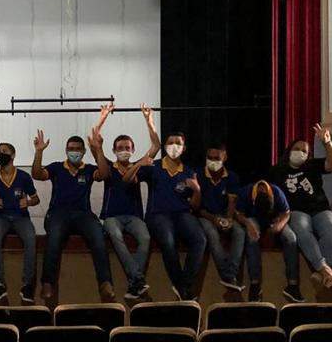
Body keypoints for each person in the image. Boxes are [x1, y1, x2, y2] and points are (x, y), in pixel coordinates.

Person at [32, 110, 116, 303]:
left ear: (84, 151)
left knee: (99, 236)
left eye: (78, 149)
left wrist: (99, 149)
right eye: (71, 148)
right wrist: (39, 151)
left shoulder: (89, 169)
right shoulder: (56, 167)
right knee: (53, 240)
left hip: (84, 214)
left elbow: (104, 174)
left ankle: (105, 282)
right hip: (57, 214)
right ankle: (47, 283)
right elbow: (37, 174)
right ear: (66, 150)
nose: (74, 151)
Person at [99, 104, 160, 300]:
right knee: (116, 236)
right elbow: (95, 144)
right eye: (120, 148)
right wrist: (102, 118)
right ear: (113, 150)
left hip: (134, 216)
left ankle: (135, 283)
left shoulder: (139, 166)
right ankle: (137, 279)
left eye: (127, 148)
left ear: (133, 149)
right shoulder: (109, 166)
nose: (124, 150)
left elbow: (156, 146)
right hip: (112, 217)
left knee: (146, 238)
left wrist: (149, 121)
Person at [270, 123, 332, 289]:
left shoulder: (312, 165)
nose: (300, 152)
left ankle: (321, 272)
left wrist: (327, 143)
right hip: (296, 210)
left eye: (304, 151)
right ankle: (323, 268)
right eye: (297, 149)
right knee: (302, 230)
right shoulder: (277, 171)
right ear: (289, 150)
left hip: (320, 208)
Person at [138, 132, 206, 300]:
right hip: (158, 215)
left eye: (178, 143)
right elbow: (132, 178)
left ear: (184, 148)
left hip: (182, 213)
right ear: (165, 146)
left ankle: (185, 284)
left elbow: (195, 206)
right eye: (170, 142)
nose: (174, 146)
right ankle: (180, 285)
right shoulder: (154, 166)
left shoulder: (188, 172)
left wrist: (197, 190)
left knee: (200, 239)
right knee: (168, 241)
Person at [0, 142, 40, 303]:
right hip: (0, 217)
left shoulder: (24, 177)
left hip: (21, 217)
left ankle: (27, 284)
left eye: (5, 151)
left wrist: (28, 202)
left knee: (31, 239)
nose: (1, 154)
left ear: (13, 155)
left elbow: (36, 199)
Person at [234, 179, 302, 302]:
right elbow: (238, 214)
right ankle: (254, 285)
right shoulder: (245, 193)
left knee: (291, 238)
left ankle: (293, 285)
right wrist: (247, 224)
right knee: (252, 237)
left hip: (274, 219)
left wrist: (279, 225)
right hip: (253, 218)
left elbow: (286, 213)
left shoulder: (277, 192)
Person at [196, 143, 245, 292]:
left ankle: (232, 272)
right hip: (205, 215)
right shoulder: (198, 175)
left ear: (225, 157)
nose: (212, 161)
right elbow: (197, 208)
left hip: (224, 214)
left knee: (239, 232)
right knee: (212, 234)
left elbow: (232, 201)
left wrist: (229, 220)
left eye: (216, 158)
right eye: (209, 158)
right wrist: (213, 219)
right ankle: (227, 276)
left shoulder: (231, 177)